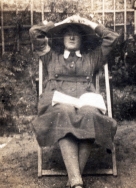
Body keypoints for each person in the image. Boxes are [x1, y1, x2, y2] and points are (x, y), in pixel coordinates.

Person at [29, 15, 119, 188]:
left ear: (82, 39)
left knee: (90, 114)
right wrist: (60, 23)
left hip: (84, 98)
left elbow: (112, 38)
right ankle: (76, 181)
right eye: (67, 34)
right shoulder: (51, 56)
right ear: (62, 38)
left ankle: (74, 179)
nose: (71, 37)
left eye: (76, 34)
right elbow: (34, 32)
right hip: (56, 100)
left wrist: (90, 24)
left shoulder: (92, 58)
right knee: (65, 112)